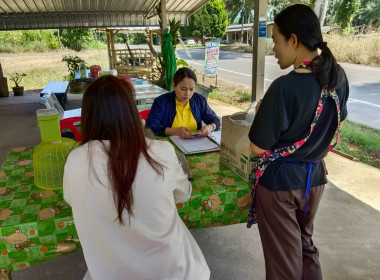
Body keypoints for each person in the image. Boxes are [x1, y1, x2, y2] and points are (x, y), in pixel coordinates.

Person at [63, 75, 210, 280]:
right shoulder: (161, 151)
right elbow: (183, 194)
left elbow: (71, 199)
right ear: (132, 113)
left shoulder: (76, 159)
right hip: (176, 272)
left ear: (87, 116)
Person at [247, 4, 349, 280]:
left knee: (284, 262)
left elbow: (258, 147)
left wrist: (262, 113)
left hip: (280, 186)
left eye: (276, 41)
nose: (274, 49)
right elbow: (333, 129)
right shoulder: (338, 79)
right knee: (305, 246)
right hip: (314, 180)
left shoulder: (284, 87)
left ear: (293, 40)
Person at [146, 67, 220, 138]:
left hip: (195, 145)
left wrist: (210, 127)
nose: (187, 94)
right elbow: (151, 125)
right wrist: (174, 131)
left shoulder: (199, 101)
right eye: (183, 89)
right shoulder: (161, 102)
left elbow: (215, 120)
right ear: (174, 85)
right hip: (168, 146)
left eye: (191, 89)